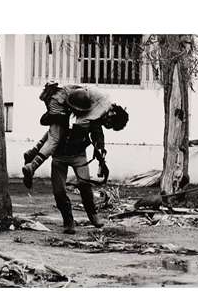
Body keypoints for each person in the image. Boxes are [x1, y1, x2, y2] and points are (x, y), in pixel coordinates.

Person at [22, 83, 129, 234]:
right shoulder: (60, 116)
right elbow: (52, 135)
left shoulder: (93, 116)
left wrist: (101, 156)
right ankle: (68, 221)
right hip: (59, 156)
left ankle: (93, 216)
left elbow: (98, 135)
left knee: (85, 186)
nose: (107, 124)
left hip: (78, 155)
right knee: (59, 192)